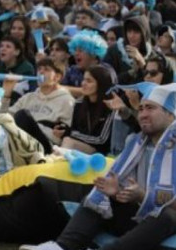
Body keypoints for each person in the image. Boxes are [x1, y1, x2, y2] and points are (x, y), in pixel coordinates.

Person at [22, 83, 176, 250]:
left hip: (164, 223)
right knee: (99, 196)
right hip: (140, 218)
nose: (143, 114)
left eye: (150, 108)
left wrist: (142, 196)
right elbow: (127, 192)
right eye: (141, 109)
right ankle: (62, 247)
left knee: (168, 216)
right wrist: (116, 192)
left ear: (171, 114)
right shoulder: (136, 144)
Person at [0, 58, 75, 153]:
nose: (41, 72)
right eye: (39, 69)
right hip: (21, 140)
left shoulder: (67, 101)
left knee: (22, 116)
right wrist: (7, 92)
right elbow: (2, 118)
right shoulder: (28, 97)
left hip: (45, 146)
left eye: (46, 69)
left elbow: (66, 133)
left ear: (57, 77)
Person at [58, 65, 115, 155]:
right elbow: (74, 130)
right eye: (84, 79)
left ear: (100, 84)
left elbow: (101, 139)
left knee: (68, 141)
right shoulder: (79, 103)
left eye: (89, 81)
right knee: (66, 142)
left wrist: (72, 134)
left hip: (99, 153)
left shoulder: (111, 105)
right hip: (80, 147)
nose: (83, 83)